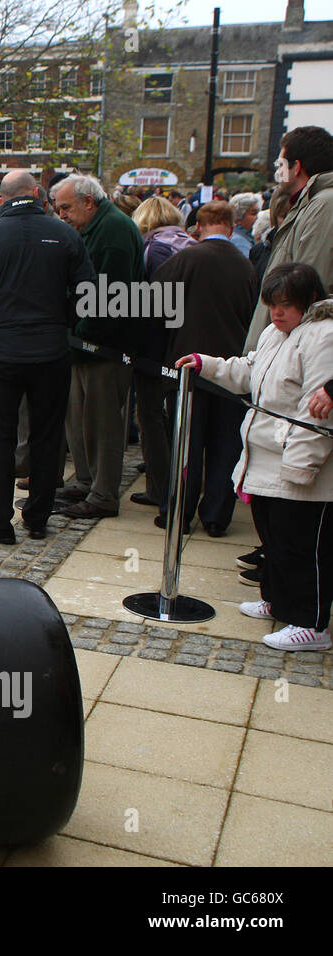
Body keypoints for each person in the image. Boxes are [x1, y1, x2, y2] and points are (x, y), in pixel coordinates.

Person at [177, 263, 333, 651]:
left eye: (285, 305)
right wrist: (208, 364)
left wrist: (301, 465)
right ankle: (279, 600)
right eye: (272, 305)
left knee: (302, 545)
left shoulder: (323, 336)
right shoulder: (273, 333)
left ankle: (311, 622)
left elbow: (316, 411)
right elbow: (249, 371)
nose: (276, 313)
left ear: (309, 301)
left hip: (297, 460)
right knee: (275, 540)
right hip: (265, 455)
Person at [0, 170, 95, 544]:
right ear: (35, 193)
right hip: (51, 350)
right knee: (48, 437)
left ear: (2, 199)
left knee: (1, 438)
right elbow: (88, 291)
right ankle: (37, 516)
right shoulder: (65, 234)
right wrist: (63, 321)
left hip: (3, 350)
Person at [155, 200, 256, 536]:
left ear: (198, 225)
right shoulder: (247, 266)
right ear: (231, 225)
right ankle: (215, 515)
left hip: (187, 367)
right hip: (232, 371)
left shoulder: (183, 260)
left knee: (186, 446)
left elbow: (155, 308)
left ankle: (178, 513)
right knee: (225, 448)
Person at [52, 173, 145, 520]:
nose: (62, 215)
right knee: (79, 417)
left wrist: (82, 335)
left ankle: (103, 492)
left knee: (102, 421)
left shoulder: (114, 231)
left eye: (66, 207)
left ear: (88, 202)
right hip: (83, 340)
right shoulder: (94, 229)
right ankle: (88, 479)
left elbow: (109, 295)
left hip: (104, 345)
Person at [126, 195, 196, 512]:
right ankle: (184, 486)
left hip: (157, 349)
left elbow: (151, 305)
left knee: (151, 417)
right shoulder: (191, 245)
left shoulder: (153, 250)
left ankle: (161, 489)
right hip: (189, 342)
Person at [245, 126, 333, 351]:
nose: (277, 173)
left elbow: (308, 288)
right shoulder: (310, 204)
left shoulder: (324, 205)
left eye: (280, 165)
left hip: (295, 355)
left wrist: (284, 355)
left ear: (297, 167)